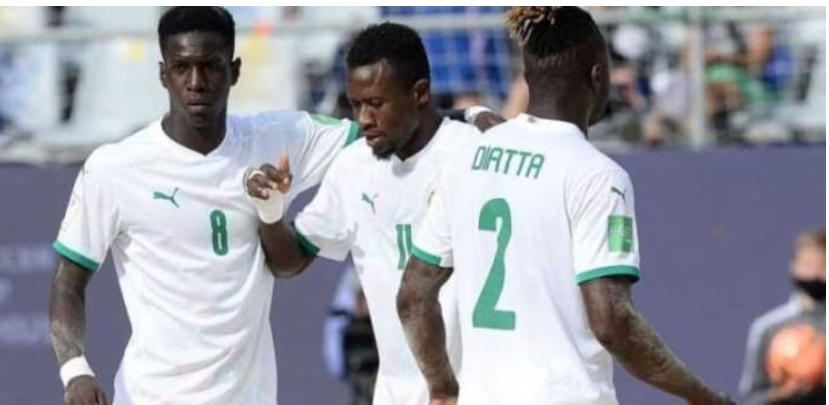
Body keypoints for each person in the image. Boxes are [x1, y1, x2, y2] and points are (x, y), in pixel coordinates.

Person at [397, 7, 735, 405]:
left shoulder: (466, 160)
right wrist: (704, 396)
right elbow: (613, 324)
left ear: (527, 78)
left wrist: (442, 388)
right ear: (598, 77)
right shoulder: (596, 175)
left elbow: (412, 296)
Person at [48, 7, 361, 405]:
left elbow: (384, 131)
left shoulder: (277, 138)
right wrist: (75, 371)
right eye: (182, 67)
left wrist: (461, 120)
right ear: (163, 74)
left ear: (235, 70)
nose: (196, 82)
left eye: (210, 66)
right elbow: (66, 281)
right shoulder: (115, 168)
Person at [243, 23, 483, 405]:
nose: (364, 119)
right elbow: (289, 263)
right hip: (394, 392)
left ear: (419, 93)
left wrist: (478, 115)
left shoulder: (474, 156)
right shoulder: (353, 167)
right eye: (356, 105)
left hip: (475, 390)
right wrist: (270, 212)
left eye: (376, 103)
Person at [738, 230, 826, 405]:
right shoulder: (768, 328)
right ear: (794, 266)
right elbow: (750, 400)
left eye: (823, 265)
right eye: (808, 264)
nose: (815, 273)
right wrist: (780, 395)